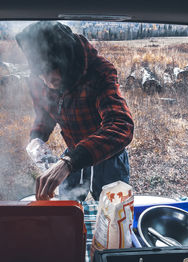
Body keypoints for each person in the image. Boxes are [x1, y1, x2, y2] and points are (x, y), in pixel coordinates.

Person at [16, 21, 134, 201]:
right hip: (73, 151)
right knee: (68, 206)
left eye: (52, 71)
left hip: (107, 155)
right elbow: (44, 112)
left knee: (111, 210)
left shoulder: (99, 71)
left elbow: (121, 125)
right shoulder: (37, 79)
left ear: (67, 61)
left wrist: (69, 162)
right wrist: (36, 138)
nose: (47, 81)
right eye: (41, 73)